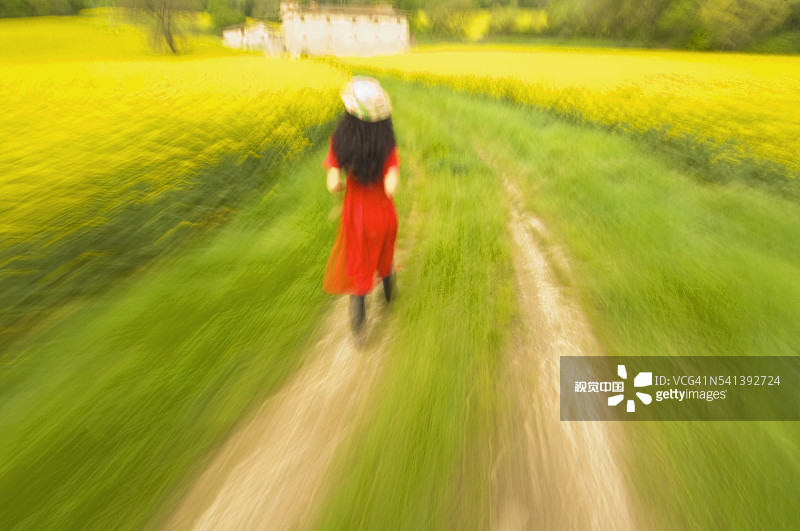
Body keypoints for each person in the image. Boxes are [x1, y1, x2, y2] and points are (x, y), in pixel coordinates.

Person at [322, 76, 399, 333]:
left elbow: (333, 183)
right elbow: (391, 185)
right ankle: (390, 297)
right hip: (384, 214)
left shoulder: (339, 141)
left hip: (356, 215)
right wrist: (384, 179)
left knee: (359, 263)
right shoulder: (387, 145)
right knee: (385, 255)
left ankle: (359, 323)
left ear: (350, 115)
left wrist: (342, 183)